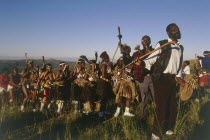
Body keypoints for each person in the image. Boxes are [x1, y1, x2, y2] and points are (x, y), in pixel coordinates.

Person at [144, 23, 185, 140]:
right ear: (168, 33)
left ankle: (168, 128)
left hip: (172, 79)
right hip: (160, 78)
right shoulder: (162, 44)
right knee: (161, 106)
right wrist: (142, 63)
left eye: (177, 29)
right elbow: (150, 59)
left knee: (172, 105)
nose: (177, 31)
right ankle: (155, 133)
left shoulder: (180, 47)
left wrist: (178, 76)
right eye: (174, 30)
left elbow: (179, 64)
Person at [113, 44, 137, 117]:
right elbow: (118, 67)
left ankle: (126, 111)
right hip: (123, 80)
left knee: (129, 96)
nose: (122, 52)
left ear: (128, 51)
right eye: (122, 51)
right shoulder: (123, 59)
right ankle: (118, 111)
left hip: (129, 80)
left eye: (123, 50)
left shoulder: (131, 58)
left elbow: (133, 69)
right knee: (120, 96)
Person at [96, 51, 113, 117]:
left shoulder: (107, 64)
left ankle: (104, 110)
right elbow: (103, 75)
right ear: (105, 58)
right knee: (102, 97)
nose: (109, 58)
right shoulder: (103, 64)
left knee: (105, 97)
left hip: (106, 82)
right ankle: (101, 112)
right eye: (107, 57)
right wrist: (111, 74)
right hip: (103, 82)